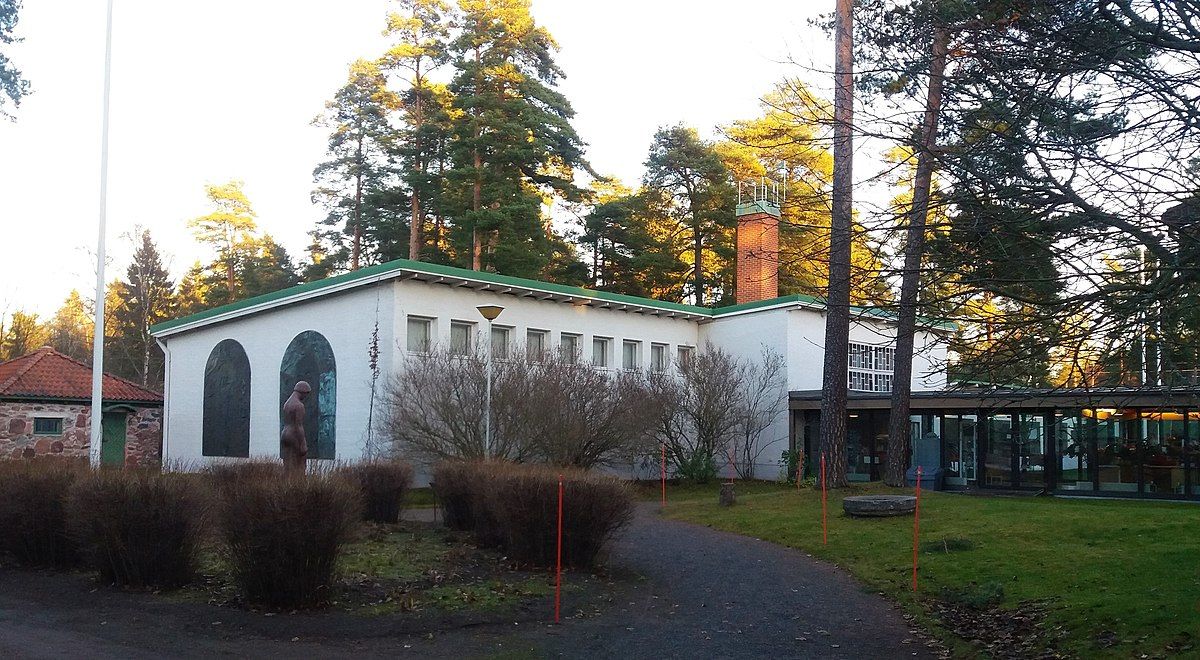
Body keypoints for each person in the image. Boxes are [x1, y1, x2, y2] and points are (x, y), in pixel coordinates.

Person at [281, 381, 311, 474]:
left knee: (288, 462)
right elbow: (299, 426)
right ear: (302, 392)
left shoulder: (287, 404)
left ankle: (286, 482)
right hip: (293, 435)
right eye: (306, 394)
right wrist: (303, 444)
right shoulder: (299, 406)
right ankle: (297, 484)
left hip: (285, 434)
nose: (305, 397)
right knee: (300, 462)